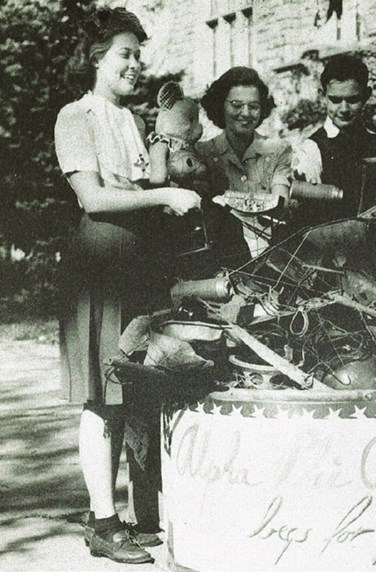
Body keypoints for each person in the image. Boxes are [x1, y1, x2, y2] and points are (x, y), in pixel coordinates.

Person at [55, 8, 201, 564]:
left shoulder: (132, 120)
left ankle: (128, 516)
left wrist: (172, 162)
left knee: (131, 392)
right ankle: (102, 520)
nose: (136, 65)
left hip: (137, 261)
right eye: (125, 54)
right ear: (96, 59)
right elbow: (94, 198)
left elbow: (149, 182)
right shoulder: (77, 116)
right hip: (100, 261)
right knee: (102, 396)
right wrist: (162, 196)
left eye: (139, 55)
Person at [199, 67, 292, 258]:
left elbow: (280, 204)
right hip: (221, 255)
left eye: (254, 106)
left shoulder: (277, 149)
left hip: (270, 253)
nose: (246, 113)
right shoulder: (203, 153)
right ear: (220, 105)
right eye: (236, 105)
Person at [293, 54, 376, 227]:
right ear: (323, 96)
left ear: (366, 95)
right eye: (335, 100)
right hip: (333, 243)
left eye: (352, 100)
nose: (344, 109)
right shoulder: (312, 148)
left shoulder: (374, 135)